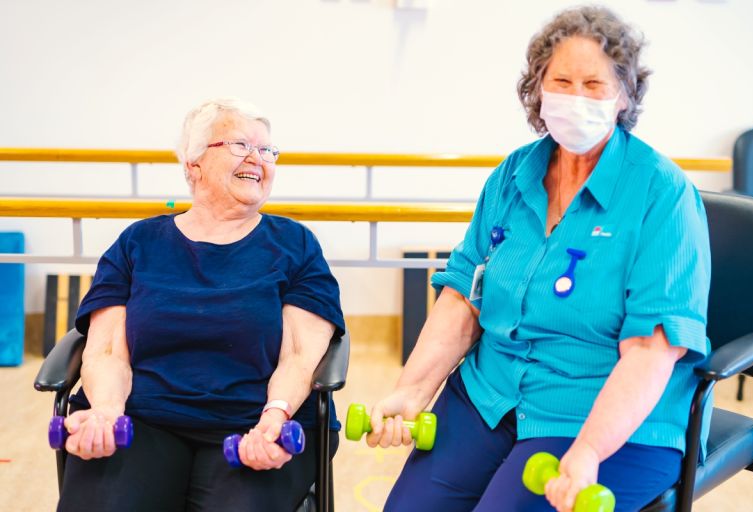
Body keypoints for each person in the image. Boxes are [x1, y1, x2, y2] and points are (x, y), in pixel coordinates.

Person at [367, 6, 711, 512]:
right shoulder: (512, 175)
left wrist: (589, 450)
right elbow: (464, 294)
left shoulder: (663, 194)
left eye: (594, 83)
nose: (575, 97)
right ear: (538, 89)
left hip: (599, 412)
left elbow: (651, 350)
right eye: (561, 80)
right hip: (491, 394)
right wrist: (411, 391)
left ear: (623, 94)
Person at [56, 98, 345, 512]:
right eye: (241, 145)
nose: (257, 159)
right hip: (143, 416)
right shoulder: (139, 243)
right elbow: (106, 351)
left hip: (255, 419)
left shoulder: (294, 245)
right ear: (193, 165)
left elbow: (300, 357)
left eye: (267, 150)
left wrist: (275, 419)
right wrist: (105, 413)